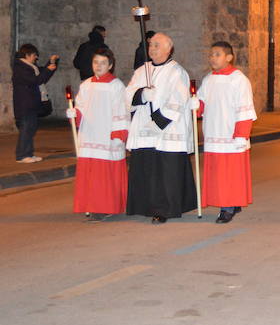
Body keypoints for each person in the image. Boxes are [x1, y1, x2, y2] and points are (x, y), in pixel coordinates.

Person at [125, 32, 197, 223]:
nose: (152, 49)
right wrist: (141, 95)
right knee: (147, 167)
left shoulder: (177, 72)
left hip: (167, 129)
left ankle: (164, 208)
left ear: (168, 49)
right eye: (150, 45)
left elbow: (179, 100)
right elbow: (128, 93)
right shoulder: (142, 71)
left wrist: (158, 121)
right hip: (144, 128)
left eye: (157, 45)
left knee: (165, 172)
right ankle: (144, 205)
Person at [196, 41, 257, 224]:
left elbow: (245, 109)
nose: (212, 58)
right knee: (218, 173)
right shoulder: (209, 79)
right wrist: (195, 105)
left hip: (231, 135)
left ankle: (227, 208)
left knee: (229, 174)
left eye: (217, 54)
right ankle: (234, 202)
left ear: (229, 57)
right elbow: (201, 103)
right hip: (214, 133)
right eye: (211, 54)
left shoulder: (239, 80)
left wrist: (241, 134)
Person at [67, 48, 128, 220]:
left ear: (110, 65)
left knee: (104, 176)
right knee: (91, 174)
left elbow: (121, 111)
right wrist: (75, 113)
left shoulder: (116, 86)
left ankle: (106, 206)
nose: (98, 66)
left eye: (103, 63)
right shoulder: (86, 85)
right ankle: (90, 204)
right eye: (96, 62)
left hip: (107, 136)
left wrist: (118, 135)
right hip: (90, 135)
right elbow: (80, 107)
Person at [12, 45, 58, 163]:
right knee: (26, 129)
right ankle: (22, 155)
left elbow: (42, 73)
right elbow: (36, 80)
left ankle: (28, 154)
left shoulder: (30, 67)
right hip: (25, 104)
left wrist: (51, 63)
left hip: (31, 104)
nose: (36, 58)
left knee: (31, 129)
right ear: (27, 55)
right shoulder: (20, 68)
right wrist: (48, 70)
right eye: (34, 55)